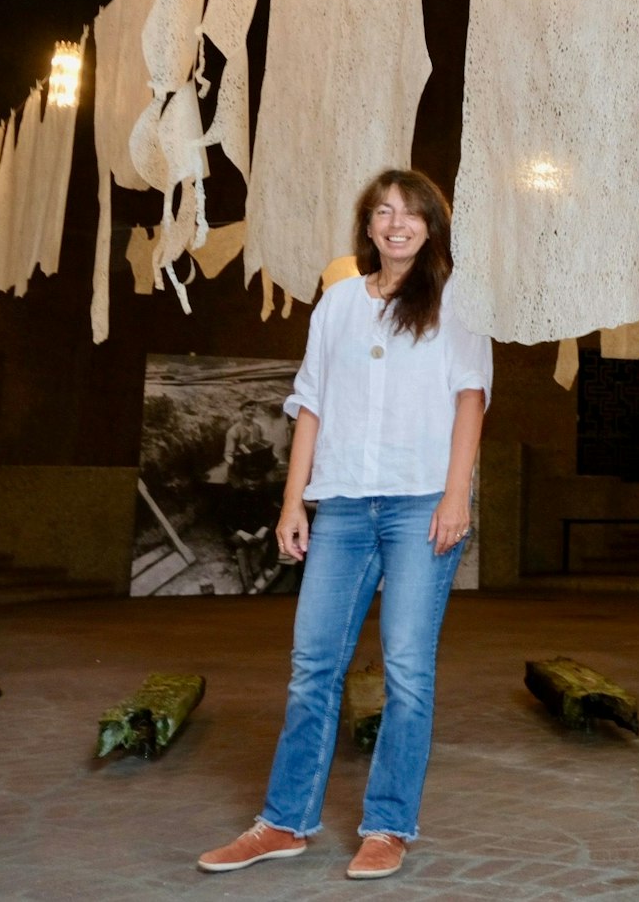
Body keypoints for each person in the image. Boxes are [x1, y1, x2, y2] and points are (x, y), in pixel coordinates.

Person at [198, 168, 491, 881]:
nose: (397, 223)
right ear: (368, 226)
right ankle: (284, 820)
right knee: (312, 667)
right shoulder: (335, 305)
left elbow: (471, 399)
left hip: (422, 501)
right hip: (343, 507)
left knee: (408, 671)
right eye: (384, 212)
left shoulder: (456, 299)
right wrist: (293, 499)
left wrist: (458, 497)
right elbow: (312, 406)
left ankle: (388, 825)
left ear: (431, 227)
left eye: (413, 213)